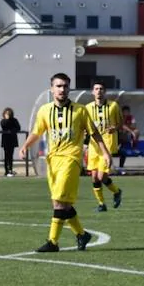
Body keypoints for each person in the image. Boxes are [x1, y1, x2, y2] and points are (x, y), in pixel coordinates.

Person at [18, 72, 111, 253]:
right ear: (52, 89)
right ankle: (81, 234)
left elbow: (94, 133)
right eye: (59, 86)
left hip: (71, 158)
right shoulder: (45, 110)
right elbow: (37, 132)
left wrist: (105, 153)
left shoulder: (80, 110)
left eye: (65, 86)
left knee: (60, 200)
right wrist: (25, 146)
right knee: (61, 204)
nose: (62, 89)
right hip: (53, 160)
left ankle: (53, 241)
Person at [85, 81, 124, 211]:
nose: (99, 91)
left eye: (101, 88)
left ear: (105, 91)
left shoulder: (113, 106)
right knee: (94, 177)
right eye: (96, 89)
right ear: (92, 92)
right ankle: (101, 204)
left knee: (102, 176)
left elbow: (121, 123)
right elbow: (85, 125)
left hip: (107, 144)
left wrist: (115, 128)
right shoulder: (88, 108)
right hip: (93, 145)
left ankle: (117, 191)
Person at [0, 107, 21, 177]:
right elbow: (3, 125)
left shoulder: (14, 120)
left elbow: (18, 128)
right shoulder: (3, 120)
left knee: (10, 156)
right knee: (6, 156)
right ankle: (6, 171)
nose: (8, 115)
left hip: (12, 140)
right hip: (5, 140)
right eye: (6, 113)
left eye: (9, 114)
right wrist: (7, 119)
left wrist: (12, 130)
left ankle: (10, 170)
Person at [118, 105, 139, 174]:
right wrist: (130, 131)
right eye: (124, 112)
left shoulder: (131, 117)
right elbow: (121, 126)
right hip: (117, 138)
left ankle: (134, 146)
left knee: (136, 131)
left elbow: (134, 125)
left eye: (127, 112)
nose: (126, 113)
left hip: (126, 138)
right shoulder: (119, 118)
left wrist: (129, 130)